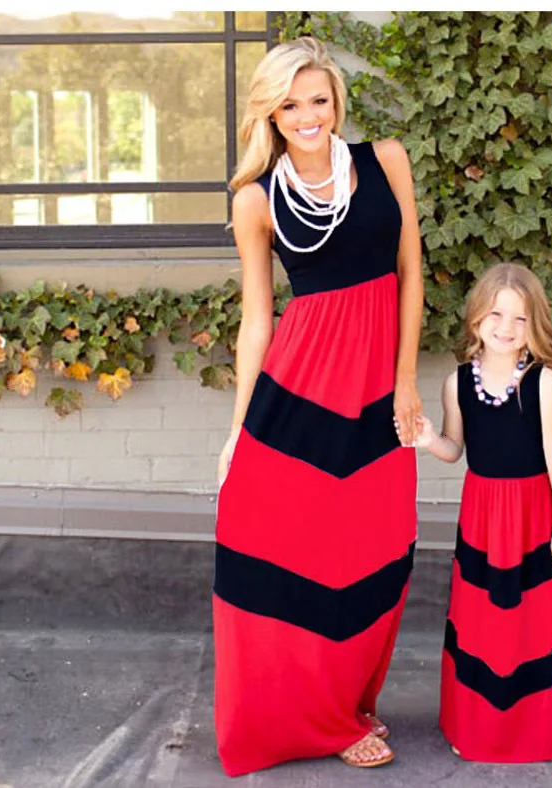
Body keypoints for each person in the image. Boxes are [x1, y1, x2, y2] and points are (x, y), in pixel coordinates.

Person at [212, 37, 423, 776]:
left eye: (319, 100)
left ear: (336, 101)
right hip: (298, 391)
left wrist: (405, 380)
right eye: (290, 104)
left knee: (375, 551)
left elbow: (411, 272)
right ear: (270, 113)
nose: (307, 116)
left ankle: (343, 701)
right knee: (290, 554)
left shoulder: (385, 160)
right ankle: (322, 721)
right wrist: (238, 430)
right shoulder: (255, 199)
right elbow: (258, 319)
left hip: (375, 391)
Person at [409, 262, 552, 763]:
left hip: (532, 514)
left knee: (532, 622)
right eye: (496, 315)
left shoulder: (543, 383)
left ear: (535, 324)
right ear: (477, 317)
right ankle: (474, 728)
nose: (506, 327)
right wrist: (427, 440)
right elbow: (454, 448)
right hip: (481, 514)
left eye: (520, 318)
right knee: (480, 621)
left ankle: (539, 733)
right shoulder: (458, 383)